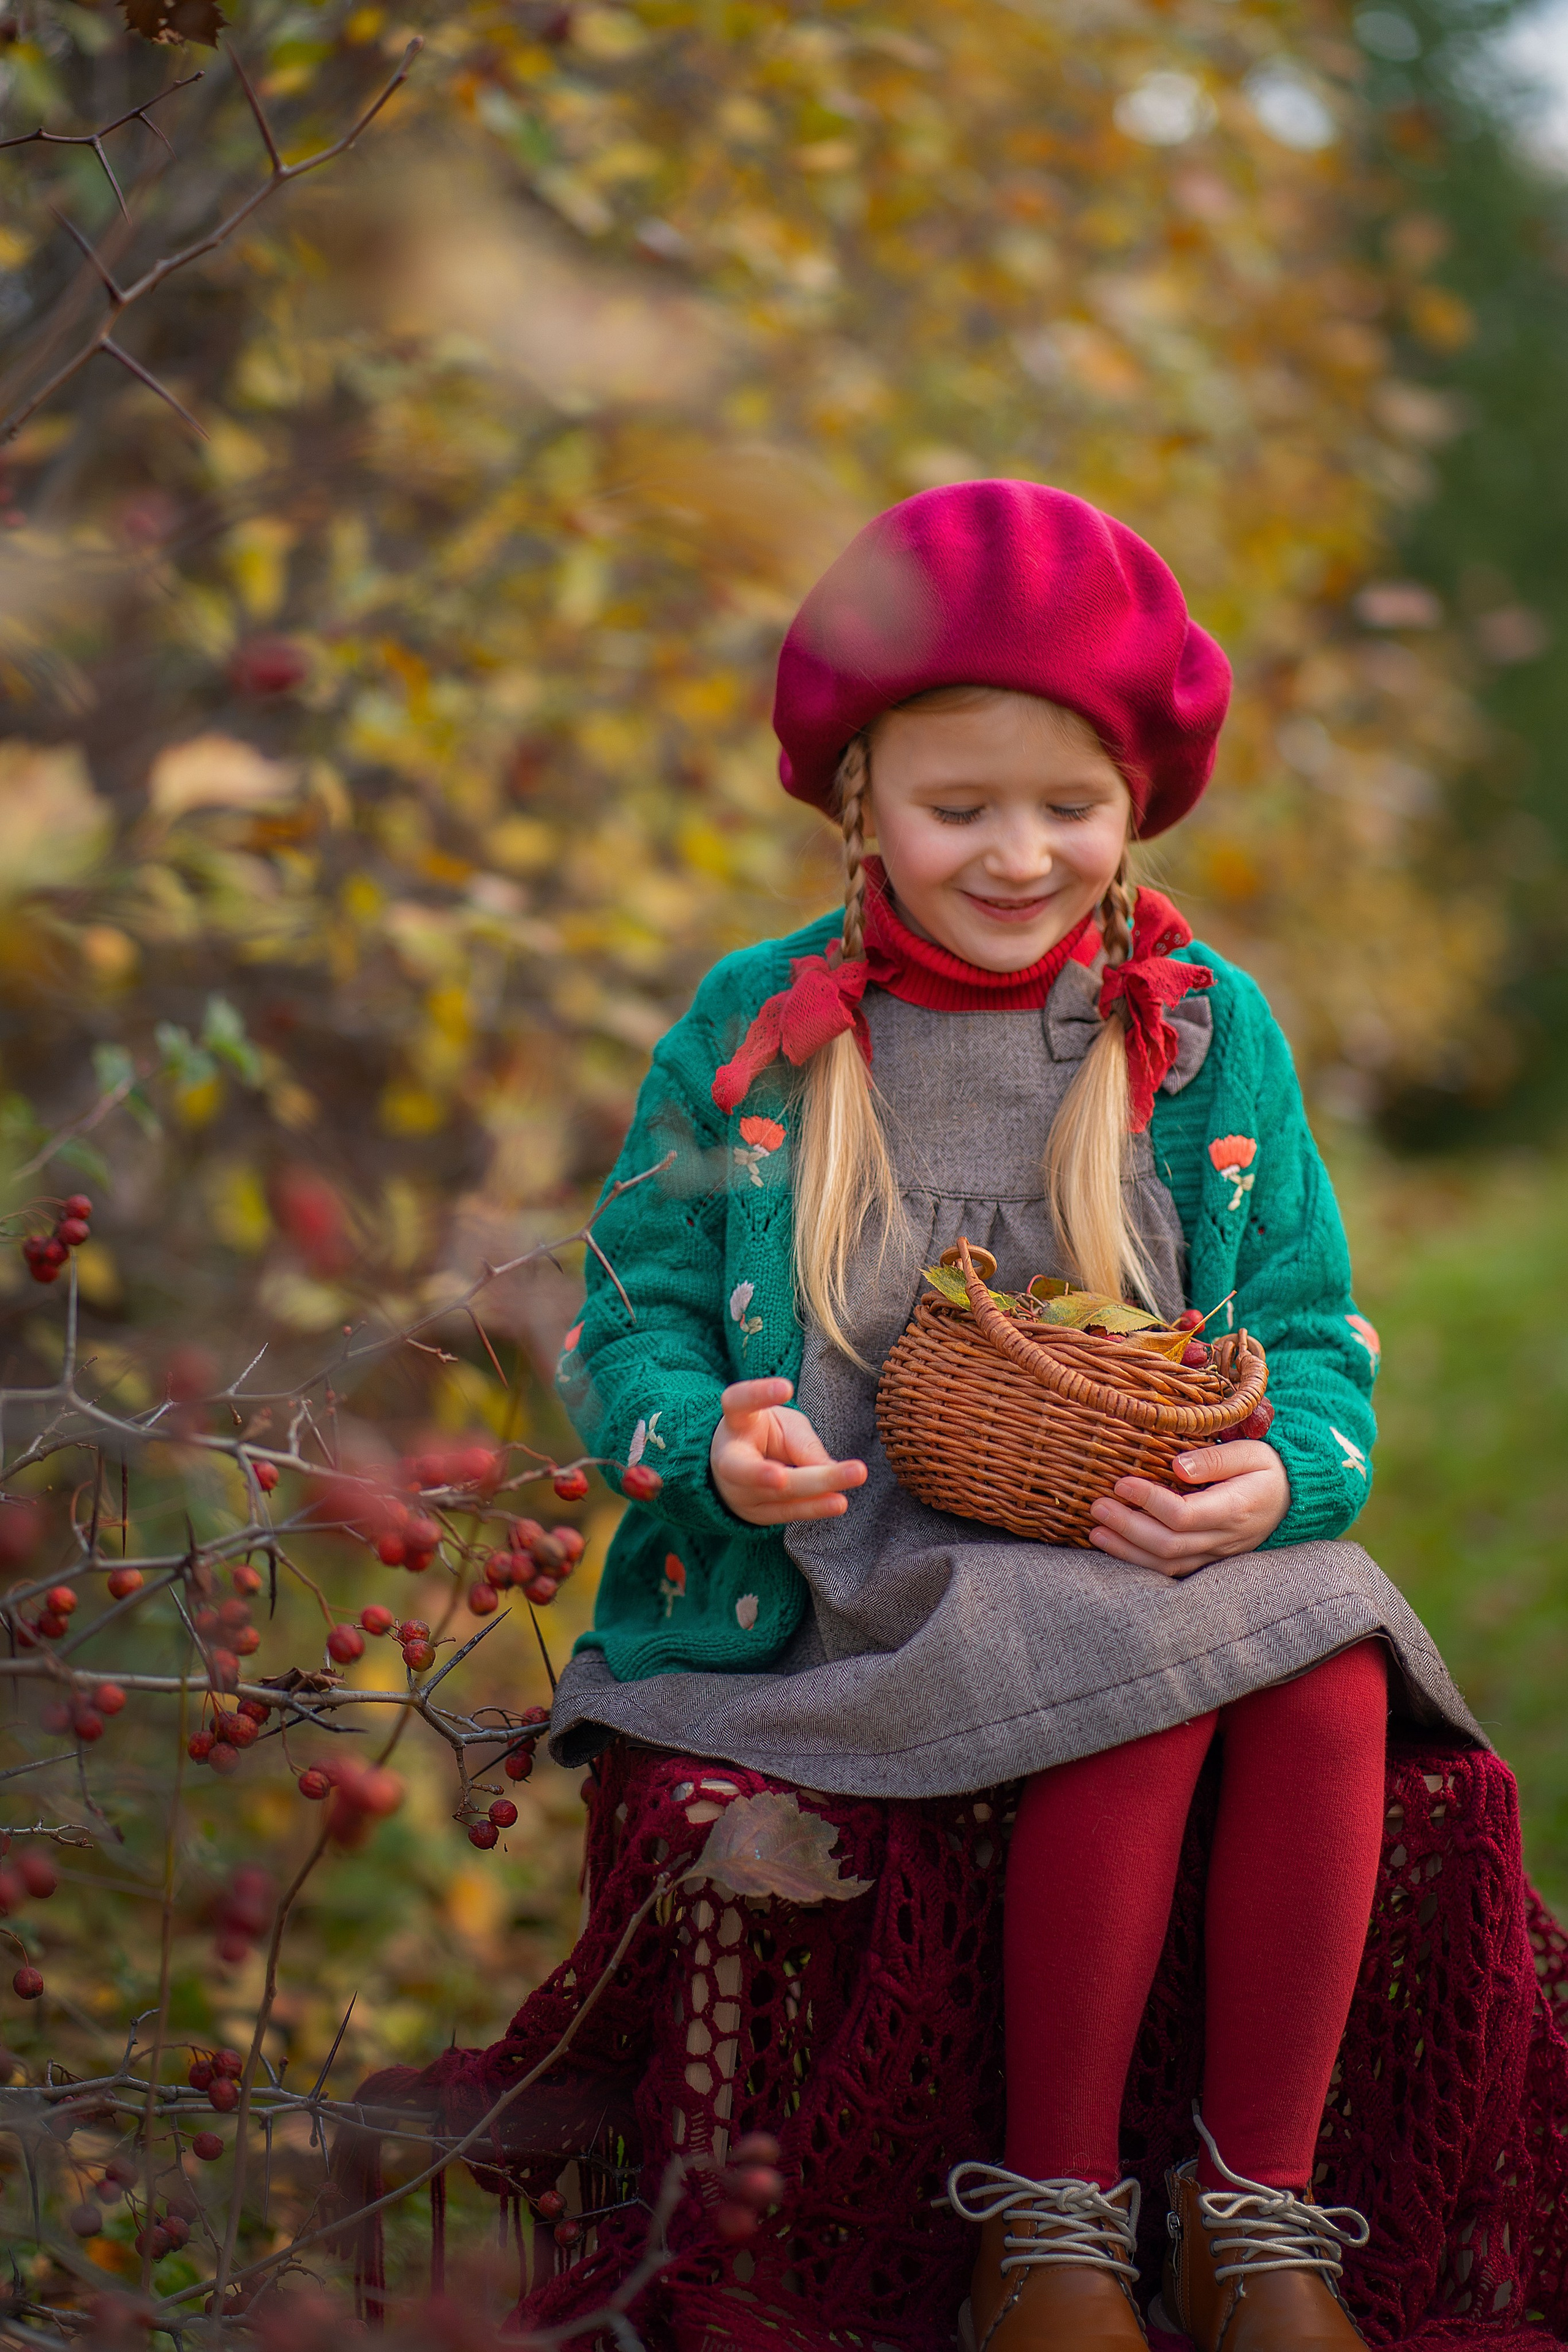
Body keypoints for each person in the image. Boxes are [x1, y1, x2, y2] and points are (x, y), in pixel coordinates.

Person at [547, 480, 1482, 2352]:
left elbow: (1306, 1332)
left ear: (1138, 805)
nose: (1016, 854)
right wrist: (712, 1451)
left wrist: (1279, 1478)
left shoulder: (1198, 1026)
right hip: (850, 1571)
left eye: (1071, 808)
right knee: (1125, 1661)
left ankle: (1256, 2221)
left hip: (1124, 1523)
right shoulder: (764, 1022)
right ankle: (1047, 2230)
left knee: (1330, 1663)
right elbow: (626, 1318)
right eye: (958, 808)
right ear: (858, 803)